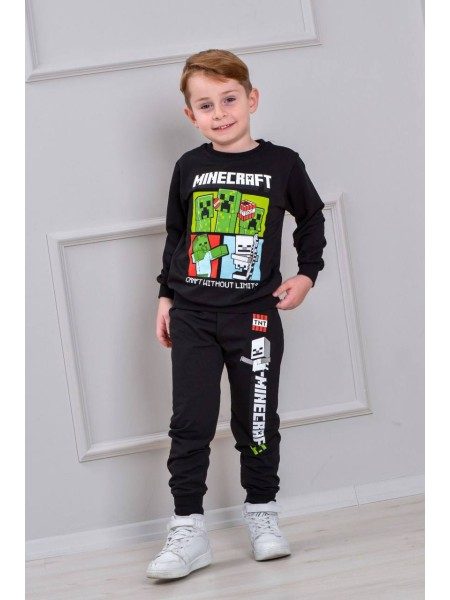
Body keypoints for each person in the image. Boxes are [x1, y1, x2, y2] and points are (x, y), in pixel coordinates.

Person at [146, 48, 326, 580]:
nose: (220, 113)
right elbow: (178, 235)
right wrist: (165, 297)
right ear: (191, 115)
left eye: (229, 99)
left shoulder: (282, 164)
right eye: (206, 105)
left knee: (256, 419)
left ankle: (263, 515)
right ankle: (188, 529)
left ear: (252, 99)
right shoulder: (189, 167)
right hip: (192, 316)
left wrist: (307, 274)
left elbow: (312, 219)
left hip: (255, 319)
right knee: (190, 423)